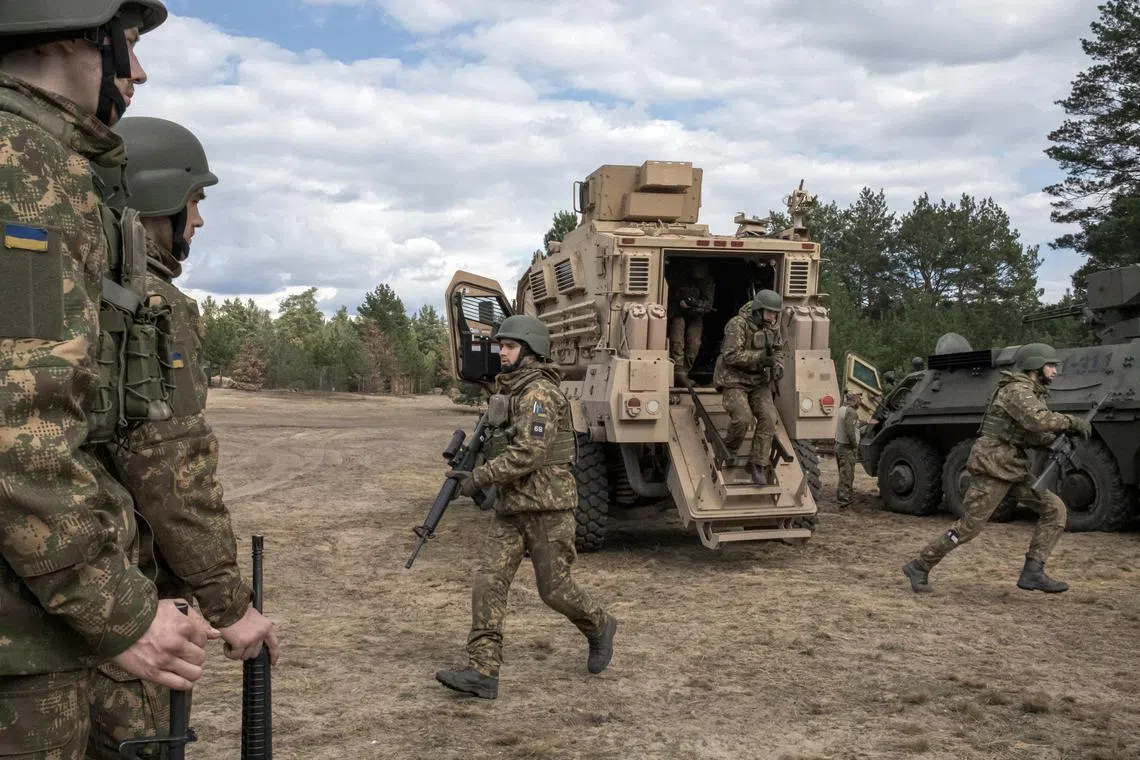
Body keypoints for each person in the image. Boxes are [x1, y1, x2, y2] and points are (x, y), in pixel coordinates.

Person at [0, 3, 218, 758]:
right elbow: (21, 430)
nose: (139, 69)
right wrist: (119, 613)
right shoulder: (24, 164)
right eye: (126, 40)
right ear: (72, 31)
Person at [86, 116, 280, 756]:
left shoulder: (74, 286)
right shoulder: (151, 306)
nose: (198, 221)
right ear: (154, 199)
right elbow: (171, 473)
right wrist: (231, 602)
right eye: (193, 202)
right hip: (119, 592)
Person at [437, 315, 616, 699]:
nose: (501, 353)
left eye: (510, 347)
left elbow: (528, 454)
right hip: (511, 507)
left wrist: (478, 479)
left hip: (547, 507)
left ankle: (600, 624)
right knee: (489, 581)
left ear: (531, 352)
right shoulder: (510, 391)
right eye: (501, 346)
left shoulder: (539, 395)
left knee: (554, 590)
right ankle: (483, 671)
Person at [901, 343, 1092, 594]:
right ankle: (920, 565)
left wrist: (1056, 443)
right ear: (1035, 367)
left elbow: (1029, 434)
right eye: (1051, 365)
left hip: (1013, 467)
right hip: (993, 465)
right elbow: (1038, 421)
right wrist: (1071, 422)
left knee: (1055, 510)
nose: (1055, 371)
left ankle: (1033, 571)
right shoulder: (1017, 391)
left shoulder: (1033, 393)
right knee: (970, 527)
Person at [713, 290, 785, 485]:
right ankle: (727, 450)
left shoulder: (773, 327)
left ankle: (757, 464)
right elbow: (730, 356)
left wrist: (778, 366)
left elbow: (778, 351)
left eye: (775, 313)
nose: (773, 317)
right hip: (734, 379)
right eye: (770, 313)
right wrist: (760, 358)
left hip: (758, 381)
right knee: (743, 419)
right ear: (758, 310)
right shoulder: (737, 324)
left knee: (769, 419)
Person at [667, 260, 715, 383]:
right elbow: (670, 293)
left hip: (696, 315)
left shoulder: (707, 282)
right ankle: (677, 371)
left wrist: (694, 305)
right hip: (677, 312)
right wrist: (679, 301)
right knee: (677, 341)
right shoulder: (680, 277)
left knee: (694, 344)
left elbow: (708, 305)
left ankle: (684, 372)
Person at [835, 391, 862, 508]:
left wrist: (866, 422)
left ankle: (842, 497)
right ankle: (844, 500)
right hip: (846, 448)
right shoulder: (851, 412)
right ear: (854, 400)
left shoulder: (842, 409)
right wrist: (855, 446)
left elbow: (851, 424)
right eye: (859, 399)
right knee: (847, 475)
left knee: (843, 474)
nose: (860, 402)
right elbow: (850, 431)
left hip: (839, 446)